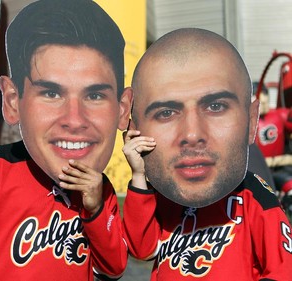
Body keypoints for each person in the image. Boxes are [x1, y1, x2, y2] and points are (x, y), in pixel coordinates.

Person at [0, 0, 132, 280]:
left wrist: (96, 209)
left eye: (94, 95)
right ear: (13, 100)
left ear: (122, 109)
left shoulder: (100, 190)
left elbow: (112, 270)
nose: (74, 120)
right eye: (51, 94)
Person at [122, 28, 292, 280]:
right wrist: (138, 176)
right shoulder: (165, 192)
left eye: (215, 106)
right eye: (167, 112)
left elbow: (284, 268)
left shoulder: (254, 196)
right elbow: (140, 248)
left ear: (251, 120)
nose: (191, 134)